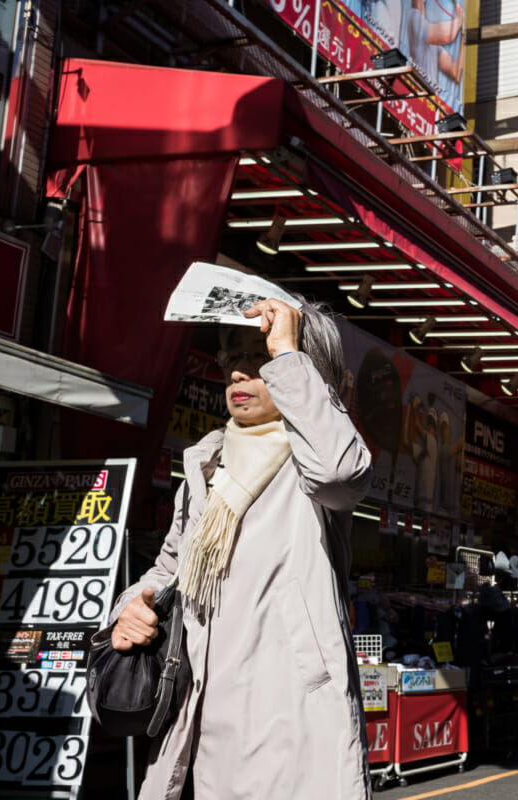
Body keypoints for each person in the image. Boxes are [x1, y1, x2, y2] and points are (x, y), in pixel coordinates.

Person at [105, 297, 373, 799]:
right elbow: (168, 569)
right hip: (196, 720)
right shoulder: (206, 465)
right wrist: (133, 606)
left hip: (289, 723)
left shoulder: (312, 463)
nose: (238, 373)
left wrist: (288, 354)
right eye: (233, 357)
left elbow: (342, 472)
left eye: (260, 357)